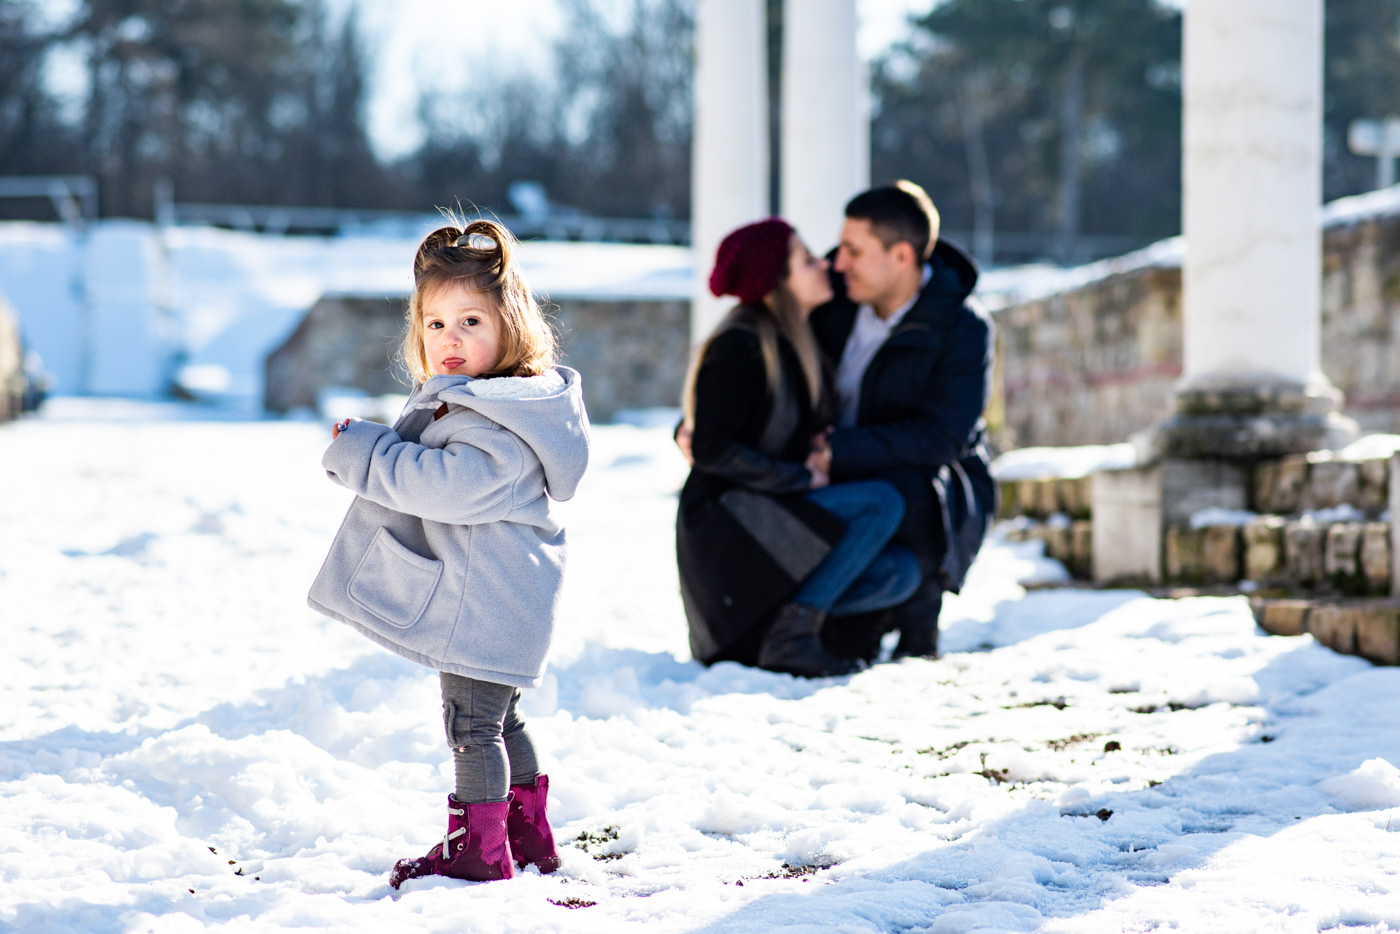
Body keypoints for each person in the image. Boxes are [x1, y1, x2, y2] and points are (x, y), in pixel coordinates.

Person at [307, 217, 590, 887]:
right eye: (435, 325)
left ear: (511, 330)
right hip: (494, 597)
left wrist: (366, 450)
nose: (450, 339)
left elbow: (449, 488)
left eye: (470, 322)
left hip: (485, 604)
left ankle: (479, 850)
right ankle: (524, 833)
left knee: (472, 725)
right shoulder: (493, 406)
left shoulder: (498, 419)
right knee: (499, 717)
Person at [677, 217, 921, 678]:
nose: (824, 265)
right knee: (881, 502)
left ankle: (781, 627)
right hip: (732, 526)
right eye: (806, 260)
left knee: (900, 572)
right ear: (777, 279)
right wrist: (801, 476)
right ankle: (790, 632)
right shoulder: (742, 345)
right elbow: (711, 448)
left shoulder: (800, 337)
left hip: (772, 512)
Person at [806, 180, 997, 662]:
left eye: (854, 250)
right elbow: (757, 358)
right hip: (825, 465)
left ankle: (917, 619)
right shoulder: (830, 300)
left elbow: (944, 437)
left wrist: (842, 451)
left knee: (911, 485)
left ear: (902, 257)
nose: (838, 261)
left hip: (926, 484)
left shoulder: (962, 327)